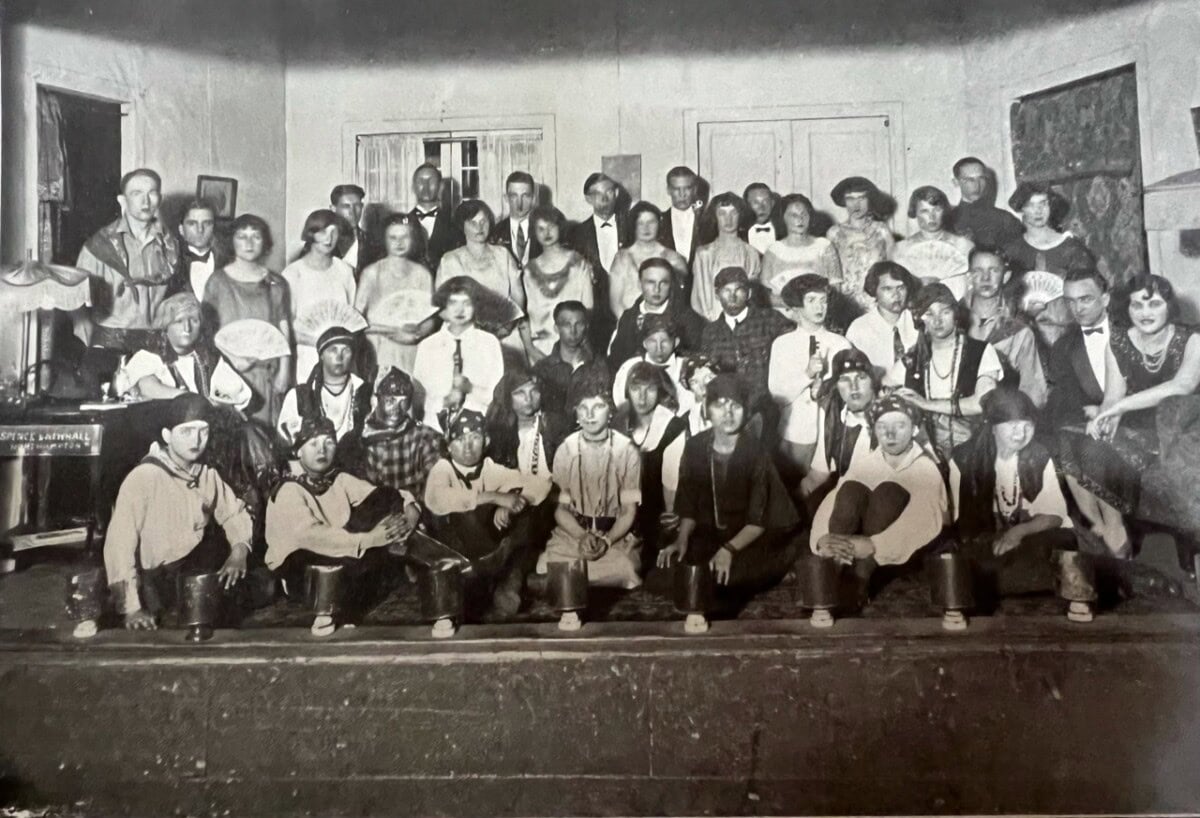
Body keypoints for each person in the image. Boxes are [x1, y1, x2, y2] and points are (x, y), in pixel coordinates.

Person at [1058, 274, 1200, 557]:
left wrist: (1117, 409)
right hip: (1136, 423)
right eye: (1137, 306)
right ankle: (1109, 528)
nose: (1145, 313)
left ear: (1169, 307)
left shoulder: (1191, 339)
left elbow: (1182, 386)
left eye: (1154, 304)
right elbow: (1113, 395)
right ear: (1128, 308)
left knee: (1101, 450)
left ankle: (1114, 534)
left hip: (1180, 427)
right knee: (1074, 441)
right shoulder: (1120, 342)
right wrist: (1106, 420)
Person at [105, 395, 254, 630]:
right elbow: (119, 546)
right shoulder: (144, 477)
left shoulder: (205, 474)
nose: (196, 440)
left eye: (202, 431)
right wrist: (132, 609)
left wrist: (239, 550)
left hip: (192, 572)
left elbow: (233, 512)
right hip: (155, 583)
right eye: (186, 432)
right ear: (167, 435)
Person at [265, 415, 420, 630]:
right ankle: (334, 607)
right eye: (313, 444)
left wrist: (410, 510)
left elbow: (385, 495)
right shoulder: (288, 489)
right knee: (370, 561)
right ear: (298, 451)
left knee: (384, 497)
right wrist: (372, 539)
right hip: (302, 562)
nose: (322, 450)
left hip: (343, 549)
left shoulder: (337, 478)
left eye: (328, 442)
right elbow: (312, 536)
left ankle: (346, 597)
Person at [655, 374, 800, 596]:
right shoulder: (695, 447)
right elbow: (688, 503)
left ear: (746, 411)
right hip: (709, 533)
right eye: (719, 405)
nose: (728, 414)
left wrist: (728, 549)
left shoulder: (757, 452)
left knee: (728, 580)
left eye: (736, 405)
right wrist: (681, 539)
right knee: (672, 573)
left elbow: (758, 520)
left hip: (749, 537)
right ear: (707, 411)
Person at [809, 395, 947, 596]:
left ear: (915, 430)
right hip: (854, 544)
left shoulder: (925, 468)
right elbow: (834, 499)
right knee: (850, 490)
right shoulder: (867, 463)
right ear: (874, 430)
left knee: (888, 493)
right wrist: (822, 539)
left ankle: (858, 581)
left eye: (900, 425)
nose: (890, 434)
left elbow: (923, 521)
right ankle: (834, 568)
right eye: (882, 426)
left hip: (900, 551)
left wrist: (875, 545)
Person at [947, 387, 1077, 600]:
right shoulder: (964, 459)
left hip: (1030, 535)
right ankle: (1019, 582)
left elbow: (1054, 515)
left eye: (1028, 426)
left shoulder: (1040, 455)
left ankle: (995, 584)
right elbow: (961, 522)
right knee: (971, 557)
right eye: (1012, 426)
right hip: (984, 537)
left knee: (1055, 544)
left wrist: (1018, 532)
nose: (1021, 434)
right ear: (992, 427)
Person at [424, 409, 553, 615]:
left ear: (485, 442)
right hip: (460, 554)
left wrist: (509, 507)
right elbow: (437, 499)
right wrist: (494, 497)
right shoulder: (443, 468)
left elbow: (541, 484)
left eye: (475, 438)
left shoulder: (489, 467)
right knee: (467, 515)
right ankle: (510, 581)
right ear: (448, 446)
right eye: (459, 439)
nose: (467, 446)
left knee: (530, 514)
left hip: (492, 550)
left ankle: (508, 583)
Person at [539, 376, 644, 589]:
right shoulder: (566, 449)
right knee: (543, 564)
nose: (589, 415)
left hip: (614, 535)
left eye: (598, 407)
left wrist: (606, 541)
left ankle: (568, 580)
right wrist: (582, 536)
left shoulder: (627, 450)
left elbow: (628, 511)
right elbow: (561, 509)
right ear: (576, 414)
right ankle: (581, 578)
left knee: (626, 569)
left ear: (610, 412)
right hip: (575, 534)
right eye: (583, 408)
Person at [75, 168, 179, 372]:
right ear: (122, 201)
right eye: (136, 193)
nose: (146, 201)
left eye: (152, 193)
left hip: (157, 345)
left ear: (160, 198)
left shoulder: (171, 245)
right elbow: (74, 295)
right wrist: (81, 325)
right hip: (111, 343)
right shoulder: (99, 245)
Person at [886, 282, 1002, 461]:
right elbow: (886, 389)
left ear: (956, 314)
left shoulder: (980, 351)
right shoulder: (913, 358)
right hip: (925, 455)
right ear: (919, 319)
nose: (937, 320)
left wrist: (925, 404)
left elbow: (981, 403)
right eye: (929, 314)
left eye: (944, 312)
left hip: (974, 452)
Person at [203, 214, 292, 425]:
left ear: (265, 242)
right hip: (229, 373)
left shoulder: (276, 283)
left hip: (266, 375)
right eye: (242, 236)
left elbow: (283, 326)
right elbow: (207, 332)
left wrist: (284, 370)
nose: (249, 243)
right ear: (231, 241)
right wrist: (233, 358)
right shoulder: (217, 282)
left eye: (256, 237)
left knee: (265, 438)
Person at [769, 274, 853, 470]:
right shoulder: (782, 344)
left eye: (824, 300)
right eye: (811, 300)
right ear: (797, 306)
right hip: (795, 433)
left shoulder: (840, 343)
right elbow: (778, 396)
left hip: (831, 433)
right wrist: (806, 375)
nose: (819, 307)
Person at [437, 199, 536, 363]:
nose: (479, 227)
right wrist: (476, 332)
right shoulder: (450, 260)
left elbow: (518, 296)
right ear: (463, 227)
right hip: (466, 336)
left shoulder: (503, 254)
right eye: (473, 223)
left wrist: (506, 326)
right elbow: (444, 305)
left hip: (506, 334)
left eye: (483, 221)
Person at [115, 292, 250, 411]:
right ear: (165, 326)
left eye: (194, 320)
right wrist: (192, 399)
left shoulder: (207, 357)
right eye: (179, 321)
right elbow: (147, 387)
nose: (187, 327)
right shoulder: (150, 356)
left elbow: (236, 392)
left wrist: (221, 403)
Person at [1001, 182, 1096, 348]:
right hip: (1025, 335)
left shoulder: (1071, 248)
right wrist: (1024, 309)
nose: (1038, 211)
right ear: (1021, 209)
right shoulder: (1011, 250)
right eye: (1031, 205)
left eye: (1043, 203)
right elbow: (1005, 298)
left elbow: (1088, 292)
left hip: (1069, 332)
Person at [700, 266, 794, 426]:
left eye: (739, 290)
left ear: (749, 293)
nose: (732, 296)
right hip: (730, 414)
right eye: (726, 290)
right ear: (717, 295)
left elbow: (793, 356)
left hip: (768, 410)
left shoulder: (771, 320)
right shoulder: (711, 332)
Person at [412, 277, 505, 433]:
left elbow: (499, 396)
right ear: (443, 308)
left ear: (477, 306)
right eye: (453, 303)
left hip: (477, 429)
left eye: (467, 303)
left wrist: (470, 388)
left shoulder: (489, 343)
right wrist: (445, 401)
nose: (460, 310)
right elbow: (418, 398)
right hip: (434, 429)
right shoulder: (427, 346)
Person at [277, 325, 372, 468]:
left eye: (346, 350)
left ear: (353, 355)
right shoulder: (298, 396)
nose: (339, 357)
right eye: (333, 350)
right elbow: (286, 446)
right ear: (321, 355)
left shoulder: (365, 393)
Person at [964, 246, 1048, 408]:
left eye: (994, 270)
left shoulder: (1020, 331)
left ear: (1006, 276)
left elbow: (1033, 391)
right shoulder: (951, 320)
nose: (985, 278)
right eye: (977, 271)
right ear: (968, 277)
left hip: (998, 416)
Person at [614, 361, 687, 544]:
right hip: (622, 513)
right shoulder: (618, 422)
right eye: (635, 388)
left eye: (650, 389)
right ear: (627, 391)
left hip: (659, 515)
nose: (642, 397)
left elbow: (671, 485)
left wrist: (669, 518)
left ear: (660, 391)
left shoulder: (672, 427)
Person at [800, 349, 881, 509]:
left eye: (861, 377)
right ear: (836, 386)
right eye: (845, 379)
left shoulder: (891, 416)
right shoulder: (835, 419)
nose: (854, 386)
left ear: (873, 382)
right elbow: (818, 474)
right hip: (849, 499)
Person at [356, 213, 435, 375]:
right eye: (393, 238)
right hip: (380, 349)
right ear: (384, 240)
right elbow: (357, 320)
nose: (399, 243)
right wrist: (391, 331)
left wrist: (418, 332)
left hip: (414, 350)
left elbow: (431, 318)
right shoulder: (372, 273)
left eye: (404, 237)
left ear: (413, 239)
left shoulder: (422, 274)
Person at [282, 209, 357, 378]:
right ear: (311, 233)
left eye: (334, 232)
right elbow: (286, 325)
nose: (329, 239)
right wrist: (319, 342)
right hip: (305, 356)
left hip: (341, 358)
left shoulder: (345, 271)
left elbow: (352, 317)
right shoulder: (293, 274)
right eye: (323, 232)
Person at [361, 366, 444, 500]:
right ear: (376, 400)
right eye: (390, 400)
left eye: (403, 402)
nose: (397, 409)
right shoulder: (359, 440)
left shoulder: (424, 438)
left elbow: (436, 488)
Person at [524, 205, 595, 357]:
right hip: (540, 348)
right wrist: (531, 349)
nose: (547, 233)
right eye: (540, 229)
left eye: (551, 226)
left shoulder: (577, 263)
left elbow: (588, 307)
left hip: (574, 344)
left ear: (560, 227)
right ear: (534, 233)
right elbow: (525, 315)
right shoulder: (529, 271)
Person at [1045, 268, 1110, 430]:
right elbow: (1065, 404)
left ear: (1105, 299)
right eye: (1070, 301)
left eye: (1086, 299)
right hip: (1090, 429)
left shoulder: (1133, 333)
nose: (1078, 309)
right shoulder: (1063, 347)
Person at [609, 257, 705, 365]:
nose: (657, 289)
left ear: (671, 284)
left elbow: (696, 359)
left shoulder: (688, 319)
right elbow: (615, 360)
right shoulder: (628, 317)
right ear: (639, 284)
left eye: (663, 283)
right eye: (650, 282)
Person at [567, 172, 625, 345]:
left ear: (616, 193)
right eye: (597, 194)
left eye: (608, 192)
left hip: (625, 309)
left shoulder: (631, 226)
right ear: (588, 199)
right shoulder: (576, 234)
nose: (604, 198)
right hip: (593, 316)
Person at [486, 363, 571, 481]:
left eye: (534, 391)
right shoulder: (498, 433)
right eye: (520, 392)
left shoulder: (554, 425)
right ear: (507, 397)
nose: (528, 399)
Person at [661, 355, 722, 512]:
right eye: (695, 381)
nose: (704, 387)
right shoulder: (681, 429)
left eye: (709, 377)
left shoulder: (739, 419)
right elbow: (671, 496)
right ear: (689, 387)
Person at [609, 201, 691, 319]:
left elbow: (680, 302)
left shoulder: (673, 258)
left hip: (666, 325)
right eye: (640, 223)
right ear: (633, 226)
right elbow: (615, 302)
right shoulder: (622, 258)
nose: (646, 228)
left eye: (651, 222)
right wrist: (630, 326)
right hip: (629, 325)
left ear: (659, 224)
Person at [891, 185, 974, 300]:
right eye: (925, 211)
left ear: (944, 211)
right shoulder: (900, 249)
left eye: (937, 210)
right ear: (915, 213)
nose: (932, 216)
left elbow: (970, 287)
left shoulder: (964, 246)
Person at [826, 176, 895, 312]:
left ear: (869, 200)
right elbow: (831, 275)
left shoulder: (881, 230)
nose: (856, 205)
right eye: (850, 199)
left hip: (876, 302)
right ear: (844, 202)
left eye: (861, 198)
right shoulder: (834, 233)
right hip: (846, 304)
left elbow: (894, 269)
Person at [761, 194, 842, 309]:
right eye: (793, 215)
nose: (800, 219)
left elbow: (835, 290)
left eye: (804, 214)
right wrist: (798, 306)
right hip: (783, 315)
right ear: (782, 218)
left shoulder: (824, 246)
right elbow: (766, 295)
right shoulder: (773, 251)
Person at [690, 192, 762, 321]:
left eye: (733, 213)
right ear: (715, 217)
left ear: (741, 216)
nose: (728, 220)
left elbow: (753, 296)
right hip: (711, 323)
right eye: (722, 214)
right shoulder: (704, 254)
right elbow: (697, 299)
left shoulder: (751, 253)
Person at [533, 300, 612, 411]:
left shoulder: (598, 366)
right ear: (556, 328)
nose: (573, 331)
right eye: (566, 325)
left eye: (578, 324)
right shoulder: (543, 369)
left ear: (586, 326)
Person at [845, 261, 920, 376]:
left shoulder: (918, 322)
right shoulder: (859, 329)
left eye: (901, 288)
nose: (896, 295)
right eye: (887, 289)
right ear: (874, 290)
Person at [611, 313, 690, 415]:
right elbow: (622, 403)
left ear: (676, 342)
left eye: (664, 341)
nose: (659, 348)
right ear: (644, 343)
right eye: (652, 341)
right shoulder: (630, 367)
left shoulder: (685, 367)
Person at [945, 157, 1023, 248]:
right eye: (970, 180)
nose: (977, 185)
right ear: (955, 182)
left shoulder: (1005, 219)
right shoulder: (947, 219)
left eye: (981, 178)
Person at [408, 163, 463, 272]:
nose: (426, 185)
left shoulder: (456, 226)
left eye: (431, 181)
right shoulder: (401, 224)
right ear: (413, 187)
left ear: (441, 186)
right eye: (421, 181)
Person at [170, 198, 218, 303]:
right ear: (181, 230)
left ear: (214, 228)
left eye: (207, 223)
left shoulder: (227, 263)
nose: (200, 229)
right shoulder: (171, 264)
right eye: (192, 223)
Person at [490, 170, 540, 269]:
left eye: (525, 196)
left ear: (533, 199)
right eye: (514, 196)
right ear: (506, 198)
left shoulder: (545, 230)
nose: (519, 203)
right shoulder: (495, 232)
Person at [330, 183, 380, 275]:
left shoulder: (374, 243)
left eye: (357, 205)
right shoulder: (322, 242)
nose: (352, 212)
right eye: (346, 206)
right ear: (333, 209)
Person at [658, 165, 703, 266]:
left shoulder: (707, 221)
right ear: (668, 190)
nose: (682, 194)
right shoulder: (657, 222)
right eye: (676, 189)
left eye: (687, 188)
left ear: (695, 190)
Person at [744, 182, 781, 256]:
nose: (761, 207)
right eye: (756, 203)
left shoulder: (784, 232)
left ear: (772, 203)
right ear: (746, 205)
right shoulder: (740, 235)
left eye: (766, 201)